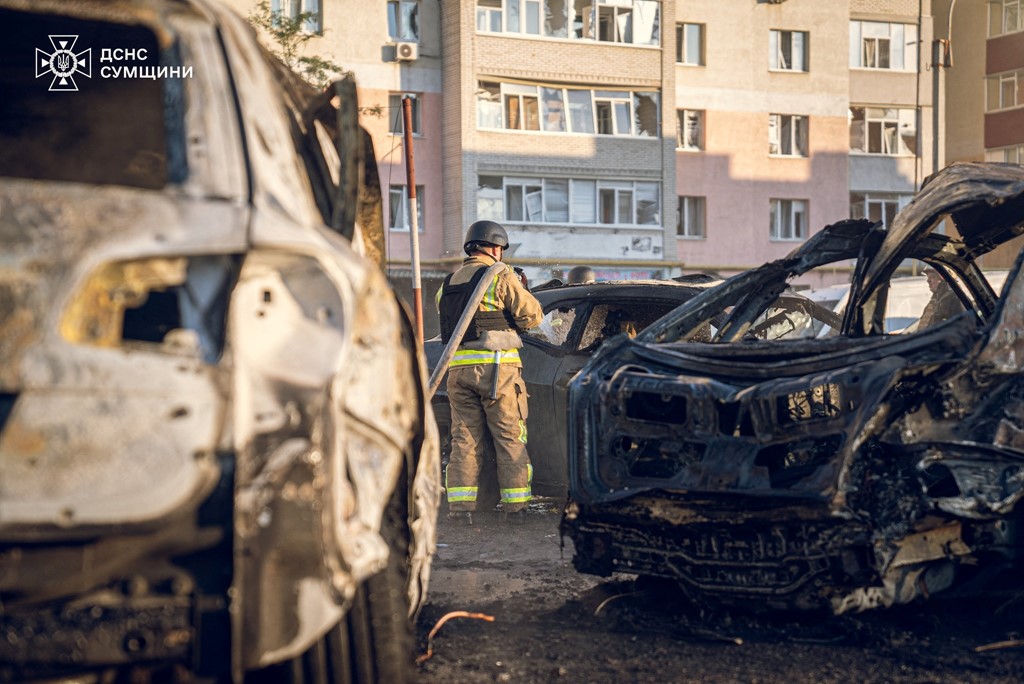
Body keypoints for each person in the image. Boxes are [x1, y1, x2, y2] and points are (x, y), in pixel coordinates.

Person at [438, 220, 544, 525]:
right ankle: (516, 509)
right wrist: (520, 288)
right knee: (509, 436)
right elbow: (533, 316)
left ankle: (460, 509)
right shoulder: (500, 276)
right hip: (496, 370)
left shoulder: (447, 284)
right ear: (496, 247)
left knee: (464, 440)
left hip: (458, 373)